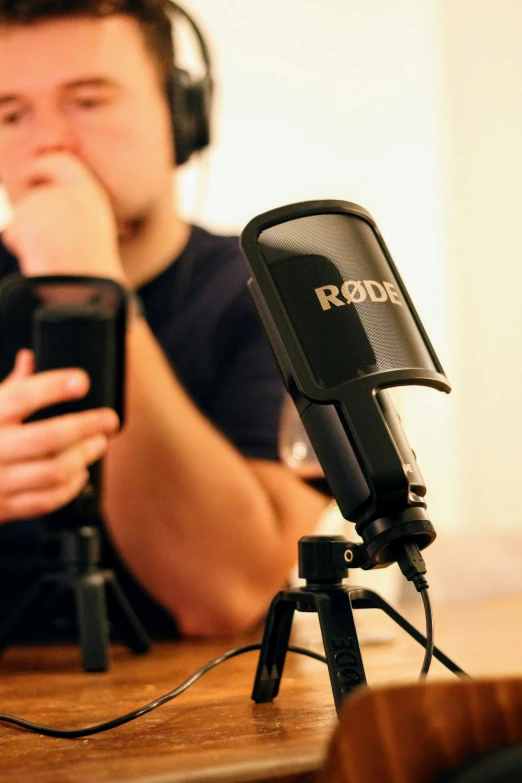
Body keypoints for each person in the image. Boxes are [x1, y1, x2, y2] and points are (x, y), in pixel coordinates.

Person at [0, 0, 328, 640]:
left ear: (182, 120)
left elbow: (226, 592)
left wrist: (93, 284)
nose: (49, 142)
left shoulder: (283, 289)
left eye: (87, 102)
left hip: (218, 715)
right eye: (11, 113)